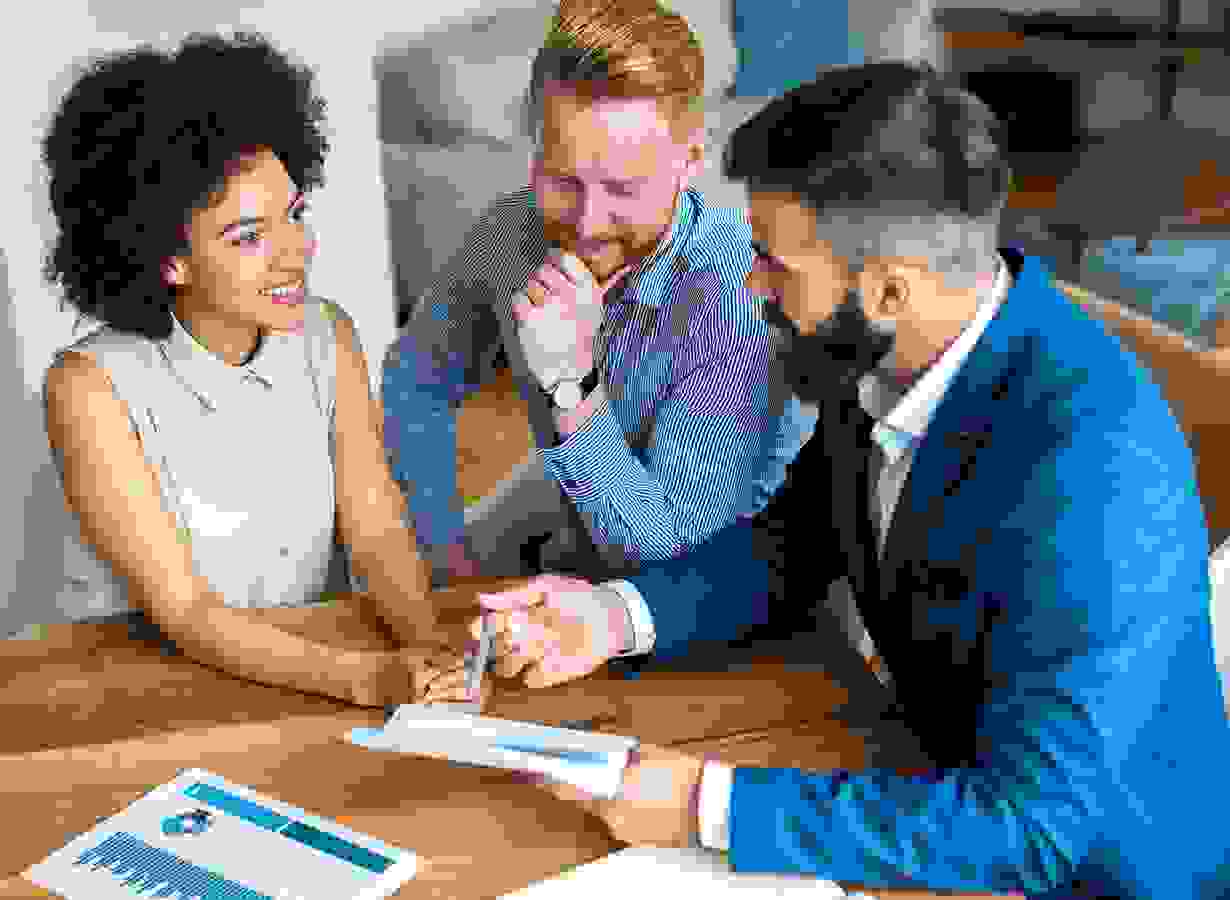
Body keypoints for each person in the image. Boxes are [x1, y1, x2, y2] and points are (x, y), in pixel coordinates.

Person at [456, 62, 1230, 897]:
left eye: (773, 263)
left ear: (889, 290)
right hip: (915, 790)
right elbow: (794, 542)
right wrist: (610, 617)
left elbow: (1032, 827)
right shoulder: (888, 352)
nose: (750, 285)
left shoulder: (1094, 465)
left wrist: (706, 805)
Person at [39, 32, 471, 709]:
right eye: (248, 237)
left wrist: (430, 649)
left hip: (296, 666)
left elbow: (375, 527)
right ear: (168, 260)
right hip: (128, 686)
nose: (295, 252)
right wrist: (370, 679)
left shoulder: (328, 336)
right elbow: (184, 609)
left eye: (293, 215)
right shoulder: (87, 388)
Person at [381, 0, 815, 595]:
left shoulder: (735, 293)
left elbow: (671, 557)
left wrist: (571, 383)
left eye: (623, 189)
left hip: (725, 595)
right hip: (571, 527)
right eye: (562, 180)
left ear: (691, 161)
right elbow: (416, 381)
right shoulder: (510, 234)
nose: (587, 225)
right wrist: (443, 554)